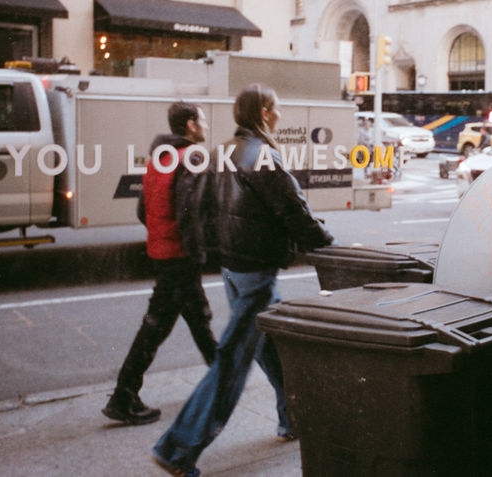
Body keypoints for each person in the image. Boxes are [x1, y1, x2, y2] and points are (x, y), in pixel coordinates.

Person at [152, 84, 334, 477]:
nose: (280, 116)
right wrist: (324, 242)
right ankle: (177, 448)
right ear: (265, 113)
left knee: (269, 346)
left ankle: (293, 419)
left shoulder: (221, 151)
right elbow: (293, 208)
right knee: (231, 363)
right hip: (254, 270)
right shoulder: (262, 154)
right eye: (278, 109)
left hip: (232, 269)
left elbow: (200, 209)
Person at [102, 102, 218, 426]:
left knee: (197, 318)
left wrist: (161, 235)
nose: (206, 126)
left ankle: (223, 377)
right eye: (203, 120)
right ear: (191, 125)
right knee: (156, 326)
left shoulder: (160, 158)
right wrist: (197, 252)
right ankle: (123, 396)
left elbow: (143, 210)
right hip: (180, 256)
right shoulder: (191, 158)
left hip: (164, 252)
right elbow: (189, 213)